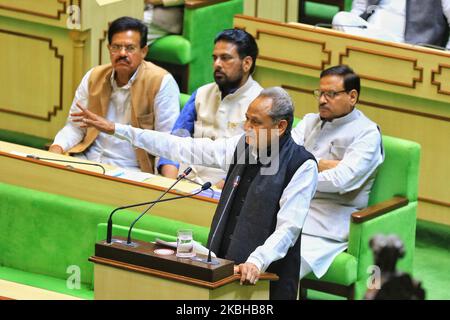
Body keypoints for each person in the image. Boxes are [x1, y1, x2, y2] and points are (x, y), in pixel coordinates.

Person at [71, 87, 318, 300]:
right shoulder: (240, 145)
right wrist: (117, 129)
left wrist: (257, 261)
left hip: (267, 281)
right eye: (246, 119)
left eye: (256, 122)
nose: (247, 127)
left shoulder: (301, 165)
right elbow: (181, 147)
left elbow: (289, 228)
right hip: (223, 274)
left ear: (281, 126)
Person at [49, 16, 180, 174]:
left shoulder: (161, 82)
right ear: (108, 48)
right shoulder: (94, 76)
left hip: (131, 170)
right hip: (87, 161)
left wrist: (162, 183)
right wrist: (56, 148)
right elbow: (75, 127)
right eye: (116, 47)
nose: (122, 53)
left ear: (144, 51)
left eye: (130, 48)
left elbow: (166, 141)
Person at [291, 65, 384, 281]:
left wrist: (303, 165)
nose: (322, 100)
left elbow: (340, 181)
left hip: (327, 227)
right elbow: (282, 159)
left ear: (352, 96)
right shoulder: (309, 121)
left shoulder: (368, 133)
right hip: (291, 210)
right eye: (320, 93)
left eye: (331, 94)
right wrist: (322, 164)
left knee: (282, 269)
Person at [158, 29, 263, 187]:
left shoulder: (263, 104)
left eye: (225, 58)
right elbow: (174, 144)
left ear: (246, 63)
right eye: (215, 58)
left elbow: (253, 168)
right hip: (181, 184)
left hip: (223, 194)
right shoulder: (201, 94)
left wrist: (210, 193)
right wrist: (170, 184)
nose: (217, 64)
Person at [332, 0, 450, 49]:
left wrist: (445, 58)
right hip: (368, 35)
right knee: (341, 18)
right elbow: (359, 9)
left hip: (411, 46)